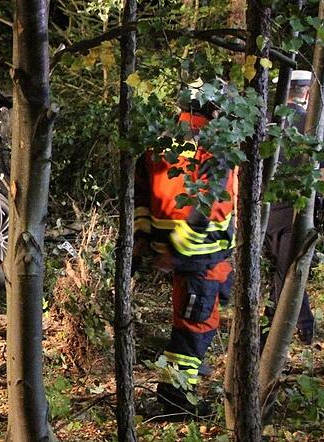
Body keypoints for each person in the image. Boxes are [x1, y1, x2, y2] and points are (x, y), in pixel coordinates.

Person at [134, 78, 236, 418]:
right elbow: (206, 207)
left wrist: (144, 239)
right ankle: (175, 397)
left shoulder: (160, 141)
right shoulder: (214, 146)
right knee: (195, 327)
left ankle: (182, 382)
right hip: (198, 253)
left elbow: (140, 193)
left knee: (204, 312)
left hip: (182, 252)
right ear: (214, 109)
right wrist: (177, 252)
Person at [263, 70, 324, 345]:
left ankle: (271, 325)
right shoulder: (314, 124)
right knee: (289, 271)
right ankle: (304, 327)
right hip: (296, 211)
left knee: (282, 270)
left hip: (266, 210)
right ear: (307, 93)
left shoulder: (268, 123)